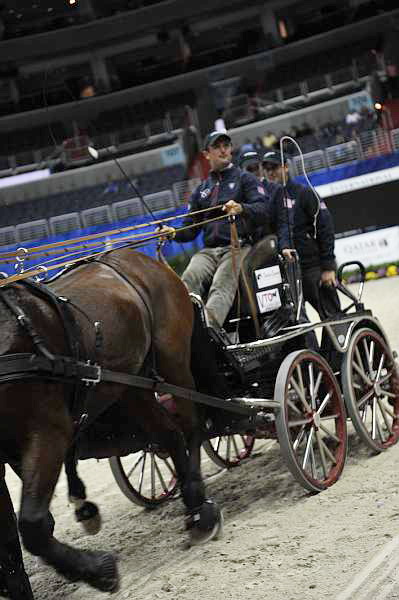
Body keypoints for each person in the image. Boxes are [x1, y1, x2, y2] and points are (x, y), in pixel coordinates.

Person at [158, 131, 269, 330]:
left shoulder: (245, 179)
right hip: (209, 252)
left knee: (221, 284)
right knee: (189, 277)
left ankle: (209, 333)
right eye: (217, 146)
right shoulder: (201, 190)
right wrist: (173, 233)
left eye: (226, 145)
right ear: (207, 154)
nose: (223, 150)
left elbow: (263, 209)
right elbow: (190, 228)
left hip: (238, 247)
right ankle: (182, 328)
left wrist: (242, 208)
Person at [262, 150, 340, 321]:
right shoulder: (268, 199)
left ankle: (334, 348)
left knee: (331, 315)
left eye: (274, 167)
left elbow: (325, 227)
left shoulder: (304, 193)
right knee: (296, 322)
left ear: (285, 167)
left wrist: (328, 267)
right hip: (286, 271)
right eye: (266, 169)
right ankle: (310, 349)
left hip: (312, 266)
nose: (270, 172)